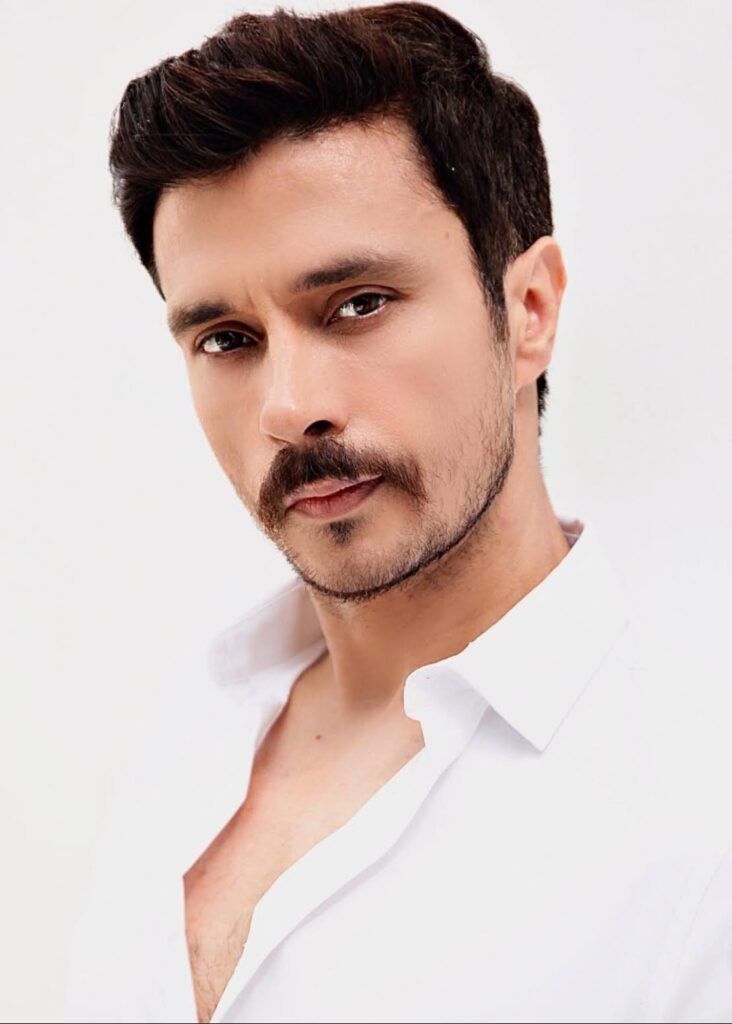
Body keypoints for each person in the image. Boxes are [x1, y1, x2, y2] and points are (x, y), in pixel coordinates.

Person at [65, 3, 732, 1022]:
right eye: (227, 339)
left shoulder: (693, 831)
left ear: (530, 313)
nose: (290, 406)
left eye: (358, 303)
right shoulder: (188, 730)